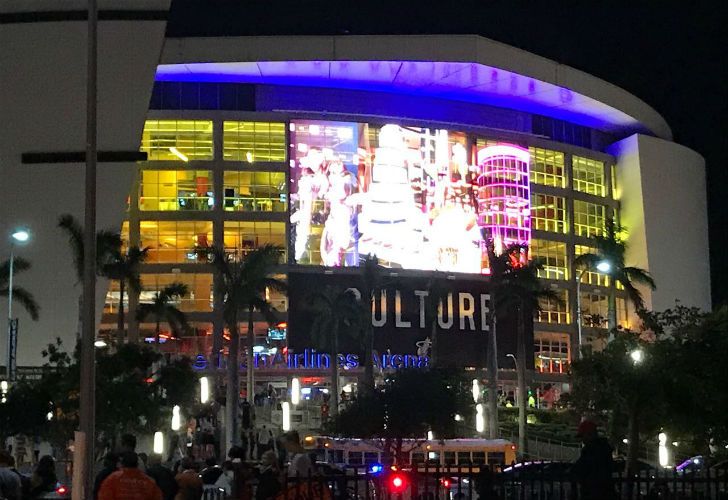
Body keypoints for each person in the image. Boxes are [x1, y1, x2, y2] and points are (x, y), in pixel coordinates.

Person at [572, 420, 616, 500]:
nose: (583, 440)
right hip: (606, 492)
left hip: (593, 492)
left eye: (583, 436)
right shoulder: (605, 449)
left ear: (590, 434)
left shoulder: (590, 450)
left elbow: (581, 468)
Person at [98, 452, 162, 500]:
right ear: (137, 464)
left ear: (122, 463)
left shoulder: (112, 480)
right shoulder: (149, 482)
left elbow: (103, 497)